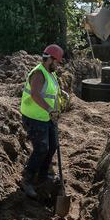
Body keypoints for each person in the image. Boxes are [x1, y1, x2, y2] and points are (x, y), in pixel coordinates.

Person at [20, 44, 64, 199]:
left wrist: (56, 110)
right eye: (57, 62)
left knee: (52, 146)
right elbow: (35, 95)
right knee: (42, 148)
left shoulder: (50, 74)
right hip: (34, 117)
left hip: (46, 116)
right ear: (50, 59)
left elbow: (54, 94)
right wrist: (50, 110)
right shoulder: (39, 73)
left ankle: (43, 176)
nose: (58, 65)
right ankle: (27, 179)